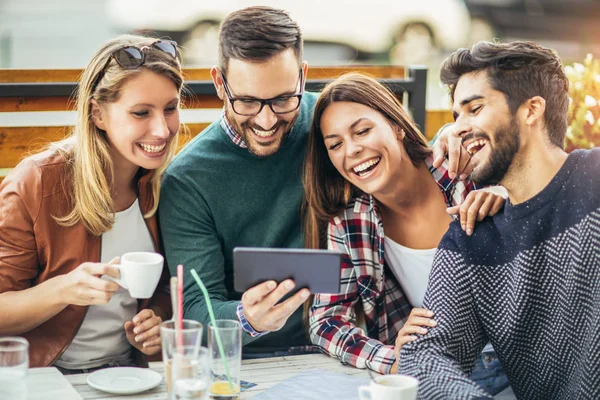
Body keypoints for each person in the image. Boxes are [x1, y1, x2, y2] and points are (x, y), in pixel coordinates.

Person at [159, 6, 467, 357]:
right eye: (247, 102)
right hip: (253, 355)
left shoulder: (330, 124)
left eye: (282, 99)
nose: (266, 120)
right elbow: (195, 309)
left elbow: (398, 151)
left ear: (302, 77)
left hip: (354, 336)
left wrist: (452, 136)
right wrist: (248, 318)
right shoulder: (188, 179)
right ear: (219, 83)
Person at [398, 40, 600, 400]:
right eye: (455, 116)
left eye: (474, 109)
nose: (456, 130)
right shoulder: (472, 236)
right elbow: (426, 353)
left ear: (531, 110)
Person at [304, 73, 508, 396]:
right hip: (438, 371)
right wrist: (390, 358)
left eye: (362, 131)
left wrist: (505, 195)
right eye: (335, 144)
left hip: (518, 362)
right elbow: (326, 321)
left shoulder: (461, 166)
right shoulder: (348, 224)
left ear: (396, 126)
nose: (352, 150)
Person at [0, 35, 182, 371]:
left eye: (170, 108)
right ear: (97, 113)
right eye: (141, 112)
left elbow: (169, 283)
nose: (161, 130)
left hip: (131, 374)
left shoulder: (166, 182)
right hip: (46, 376)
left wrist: (156, 319)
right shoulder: (37, 181)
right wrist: (63, 290)